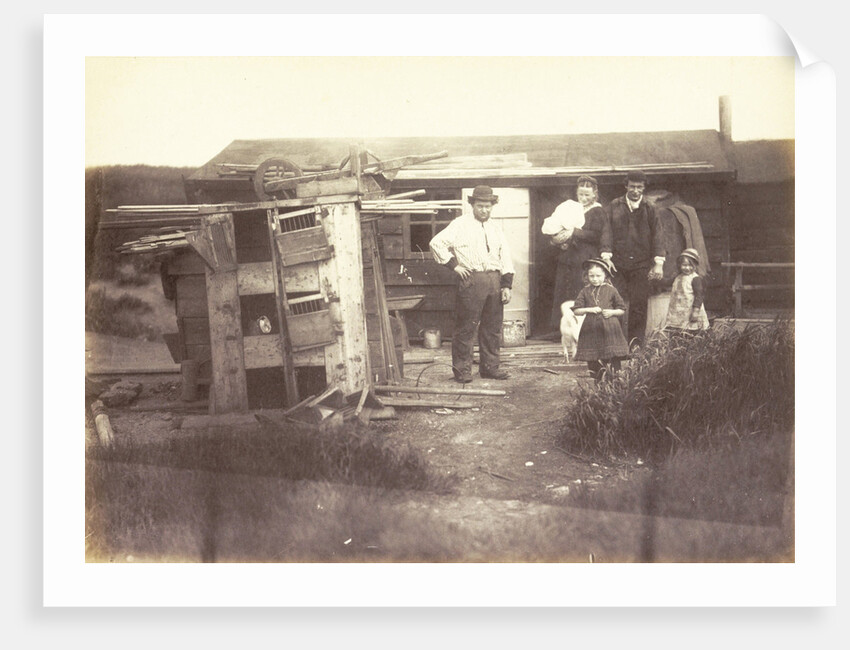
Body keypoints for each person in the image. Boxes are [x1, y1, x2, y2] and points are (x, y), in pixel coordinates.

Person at [429, 185, 515, 383]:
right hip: (471, 280)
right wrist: (454, 266)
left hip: (494, 279)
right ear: (473, 205)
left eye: (487, 206)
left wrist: (506, 285)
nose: (484, 210)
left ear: (492, 206)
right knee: (466, 327)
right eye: (480, 206)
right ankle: (462, 370)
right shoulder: (460, 224)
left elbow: (506, 256)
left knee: (492, 327)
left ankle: (490, 368)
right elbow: (436, 243)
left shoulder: (495, 227)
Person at [602, 170, 666, 347]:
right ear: (626, 186)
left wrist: (658, 263)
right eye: (632, 186)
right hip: (617, 264)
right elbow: (606, 231)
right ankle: (616, 344)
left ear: (644, 188)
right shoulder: (615, 205)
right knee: (617, 304)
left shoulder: (650, 208)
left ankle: (635, 345)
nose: (635, 190)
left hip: (641, 264)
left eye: (639, 187)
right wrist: (606, 256)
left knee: (639, 305)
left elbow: (658, 236)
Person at [542, 175, 611, 333]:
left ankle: (583, 329)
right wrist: (561, 240)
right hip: (569, 257)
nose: (583, 198)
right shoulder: (572, 208)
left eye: (587, 195)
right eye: (580, 194)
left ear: (595, 194)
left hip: (585, 257)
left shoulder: (598, 211)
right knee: (564, 291)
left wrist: (575, 232)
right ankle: (564, 329)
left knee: (580, 291)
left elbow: (596, 234)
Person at [571, 258, 630, 383]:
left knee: (613, 358)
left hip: (610, 328)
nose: (595, 279)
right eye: (591, 276)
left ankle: (616, 385)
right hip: (591, 329)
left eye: (598, 276)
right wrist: (589, 309)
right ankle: (599, 383)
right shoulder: (585, 291)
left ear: (605, 275)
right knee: (593, 360)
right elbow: (576, 310)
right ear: (587, 276)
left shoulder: (611, 290)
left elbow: (622, 309)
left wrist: (612, 312)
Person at [664, 248, 710, 333]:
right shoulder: (678, 277)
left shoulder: (695, 279)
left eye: (691, 265)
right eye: (684, 265)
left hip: (690, 311)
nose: (687, 268)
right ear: (679, 265)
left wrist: (695, 311)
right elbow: (667, 282)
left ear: (695, 266)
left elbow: (699, 295)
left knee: (690, 331)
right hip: (677, 311)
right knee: (677, 331)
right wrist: (656, 279)